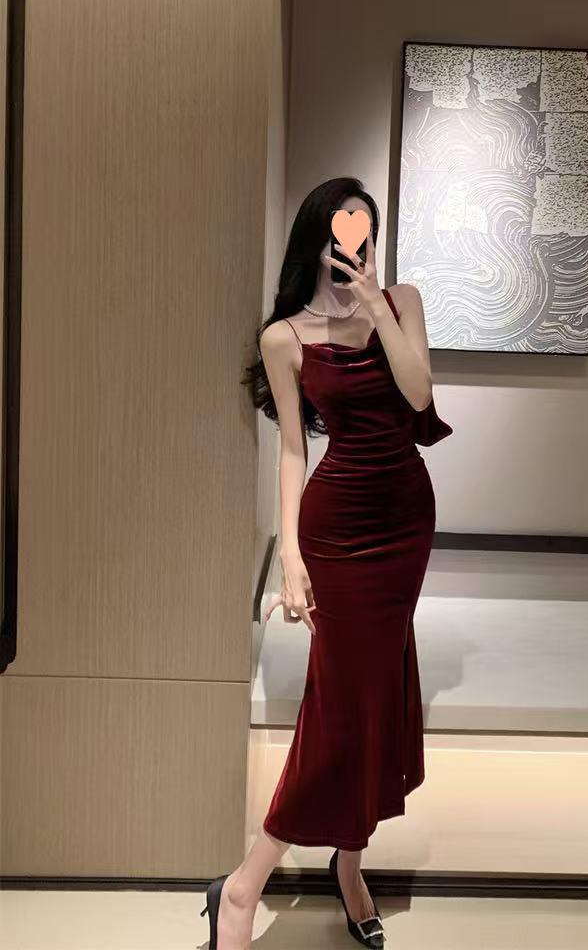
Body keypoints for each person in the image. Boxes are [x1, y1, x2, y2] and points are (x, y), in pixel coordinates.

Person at [201, 177, 452, 950]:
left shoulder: (402, 301)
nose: (355, 246)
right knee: (341, 704)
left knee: (374, 694)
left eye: (365, 233)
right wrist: (291, 555)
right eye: (344, 233)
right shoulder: (285, 336)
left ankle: (349, 863)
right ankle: (242, 888)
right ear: (316, 240)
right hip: (337, 527)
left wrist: (375, 302)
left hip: (405, 519)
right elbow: (291, 448)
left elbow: (419, 395)